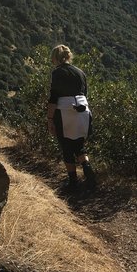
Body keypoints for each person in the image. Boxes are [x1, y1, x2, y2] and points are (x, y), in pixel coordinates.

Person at [47, 44, 96, 189]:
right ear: (69, 56)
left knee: (66, 146)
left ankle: (73, 182)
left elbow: (54, 97)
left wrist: (50, 119)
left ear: (55, 58)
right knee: (79, 144)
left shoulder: (57, 73)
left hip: (64, 111)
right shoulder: (81, 72)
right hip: (83, 111)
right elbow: (85, 94)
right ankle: (88, 171)